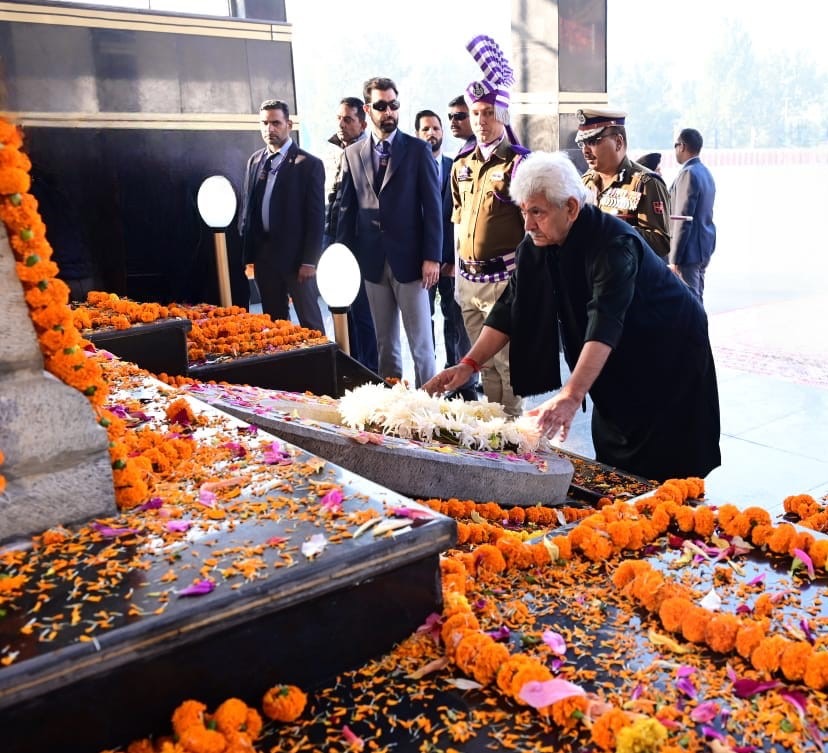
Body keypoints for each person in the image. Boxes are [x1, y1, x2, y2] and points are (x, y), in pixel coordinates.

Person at [425, 151, 721, 482]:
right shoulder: (537, 243)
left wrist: (571, 395)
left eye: (537, 212)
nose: (527, 224)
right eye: (524, 211)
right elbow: (510, 307)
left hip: (668, 348)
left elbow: (605, 320)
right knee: (617, 449)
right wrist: (470, 364)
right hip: (617, 347)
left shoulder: (613, 245)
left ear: (571, 207)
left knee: (668, 458)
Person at [336, 77, 441, 387]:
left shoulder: (418, 150)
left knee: (422, 347)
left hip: (412, 263)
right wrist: (344, 259)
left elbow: (432, 209)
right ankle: (395, 413)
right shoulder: (353, 154)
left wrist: (432, 257)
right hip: (372, 262)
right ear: (368, 109)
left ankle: (430, 414)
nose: (389, 112)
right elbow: (347, 211)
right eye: (381, 106)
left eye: (393, 105)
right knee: (386, 346)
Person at [451, 34, 529, 417]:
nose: (480, 121)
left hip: (504, 281)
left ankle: (514, 441)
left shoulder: (519, 164)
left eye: (487, 112)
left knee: (508, 369)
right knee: (481, 367)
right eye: (474, 113)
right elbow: (457, 222)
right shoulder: (461, 164)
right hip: (469, 282)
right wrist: (456, 281)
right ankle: (494, 434)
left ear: (502, 114)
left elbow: (533, 233)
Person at [238, 99, 325, 331]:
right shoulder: (255, 161)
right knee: (274, 323)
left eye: (276, 123)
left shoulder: (308, 164)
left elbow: (316, 217)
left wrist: (310, 260)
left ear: (289, 124)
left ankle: (321, 366)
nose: (270, 129)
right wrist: (249, 254)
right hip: (265, 258)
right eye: (264, 123)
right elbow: (249, 209)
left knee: (310, 322)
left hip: (297, 259)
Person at [415, 109, 475, 400]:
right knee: (423, 321)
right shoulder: (410, 170)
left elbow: (459, 218)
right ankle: (429, 381)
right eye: (425, 129)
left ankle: (458, 380)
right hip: (420, 263)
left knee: (455, 321)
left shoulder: (456, 167)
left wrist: (451, 260)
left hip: (451, 261)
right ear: (417, 134)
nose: (431, 133)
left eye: (436, 128)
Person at [323, 96, 378, 372]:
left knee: (364, 315)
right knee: (343, 312)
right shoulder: (332, 150)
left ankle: (369, 371)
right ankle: (348, 365)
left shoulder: (370, 153)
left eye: (348, 119)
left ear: (362, 122)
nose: (342, 124)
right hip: (333, 239)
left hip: (360, 244)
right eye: (339, 118)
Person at [578, 108, 671, 259]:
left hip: (631, 278)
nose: (585, 151)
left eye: (593, 141)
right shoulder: (586, 181)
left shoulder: (646, 183)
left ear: (618, 142)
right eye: (582, 143)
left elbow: (661, 243)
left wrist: (616, 230)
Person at [670, 128, 717, 301]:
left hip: (689, 251)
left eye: (675, 146)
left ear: (681, 146)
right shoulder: (705, 172)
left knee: (690, 302)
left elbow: (683, 219)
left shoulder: (688, 173)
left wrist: (674, 257)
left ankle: (697, 329)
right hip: (703, 247)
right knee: (697, 298)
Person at [447, 95, 476, 159]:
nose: (452, 121)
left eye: (459, 116)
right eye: (450, 116)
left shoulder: (480, 149)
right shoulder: (463, 147)